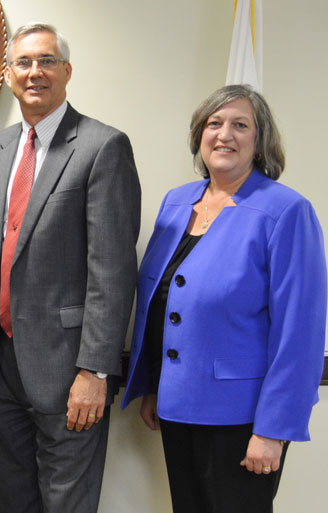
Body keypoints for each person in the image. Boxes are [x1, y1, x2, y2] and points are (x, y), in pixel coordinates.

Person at [122, 84, 327, 513]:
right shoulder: (177, 203)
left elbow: (300, 333)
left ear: (260, 140)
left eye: (240, 125)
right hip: (177, 408)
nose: (224, 134)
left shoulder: (286, 211)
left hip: (245, 420)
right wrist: (156, 386)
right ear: (200, 135)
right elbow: (163, 302)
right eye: (214, 124)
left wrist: (274, 430)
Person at [0, 22, 141, 513]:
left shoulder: (102, 147)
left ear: (66, 71)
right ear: (7, 75)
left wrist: (95, 371)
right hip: (2, 368)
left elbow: (112, 270)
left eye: (46, 61)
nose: (35, 72)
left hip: (70, 371)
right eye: (24, 62)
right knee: (14, 502)